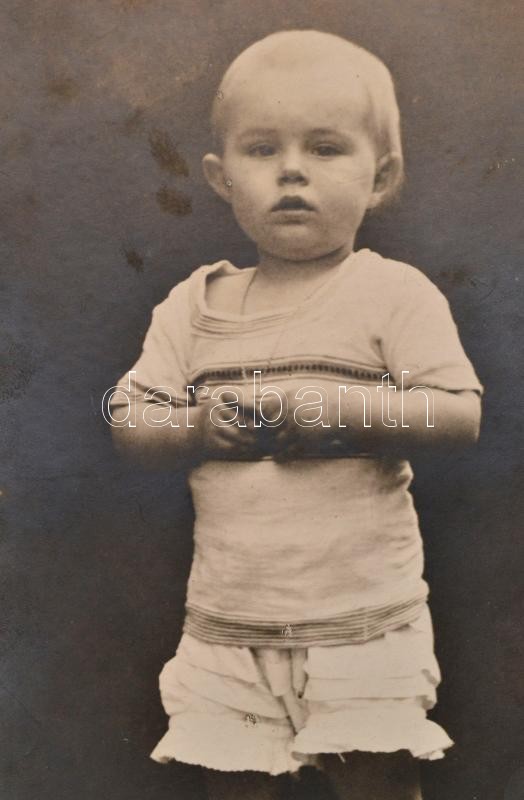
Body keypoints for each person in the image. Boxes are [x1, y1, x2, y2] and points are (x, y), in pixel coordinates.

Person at [108, 30, 483, 800]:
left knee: (377, 779)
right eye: (261, 149)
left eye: (325, 148)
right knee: (233, 782)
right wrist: (193, 428)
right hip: (230, 624)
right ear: (221, 177)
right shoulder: (193, 306)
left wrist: (341, 416)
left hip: (364, 621)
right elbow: (129, 418)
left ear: (381, 177)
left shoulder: (391, 294)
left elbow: (458, 414)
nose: (291, 171)